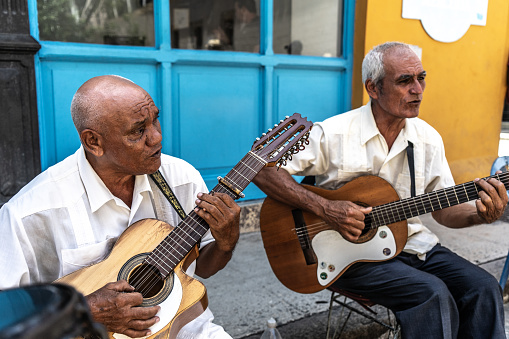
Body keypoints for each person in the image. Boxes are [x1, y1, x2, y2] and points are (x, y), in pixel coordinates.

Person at [253, 42, 508, 339]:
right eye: (405, 81)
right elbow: (261, 168)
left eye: (421, 78)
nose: (418, 90)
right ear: (373, 88)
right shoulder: (335, 132)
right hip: (347, 254)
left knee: (483, 287)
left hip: (413, 245)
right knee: (432, 294)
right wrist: (325, 209)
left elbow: (445, 210)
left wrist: (482, 213)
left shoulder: (427, 139)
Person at [0, 75, 241, 338]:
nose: (157, 137)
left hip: (187, 329)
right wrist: (85, 310)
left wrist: (226, 242)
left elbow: (202, 267)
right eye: (138, 131)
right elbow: (6, 314)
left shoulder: (181, 178)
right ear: (94, 142)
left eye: (155, 120)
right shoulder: (30, 213)